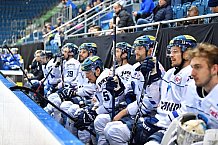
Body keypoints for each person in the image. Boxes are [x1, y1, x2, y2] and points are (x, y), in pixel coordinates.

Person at [104, 35, 197, 145]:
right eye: (170, 51)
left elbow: (186, 111)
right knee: (111, 130)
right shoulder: (169, 73)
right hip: (155, 118)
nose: (171, 55)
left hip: (169, 124)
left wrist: (153, 80)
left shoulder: (191, 74)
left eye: (175, 51)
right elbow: (155, 100)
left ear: (187, 53)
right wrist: (119, 91)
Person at [161, 43, 218, 145]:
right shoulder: (191, 87)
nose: (192, 73)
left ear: (214, 69)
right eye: (192, 67)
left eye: (198, 67)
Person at [93, 42, 135, 145]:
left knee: (102, 122)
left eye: (117, 51)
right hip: (109, 104)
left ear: (125, 54)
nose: (114, 54)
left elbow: (126, 92)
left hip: (121, 107)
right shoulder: (111, 69)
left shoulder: (129, 69)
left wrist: (118, 89)